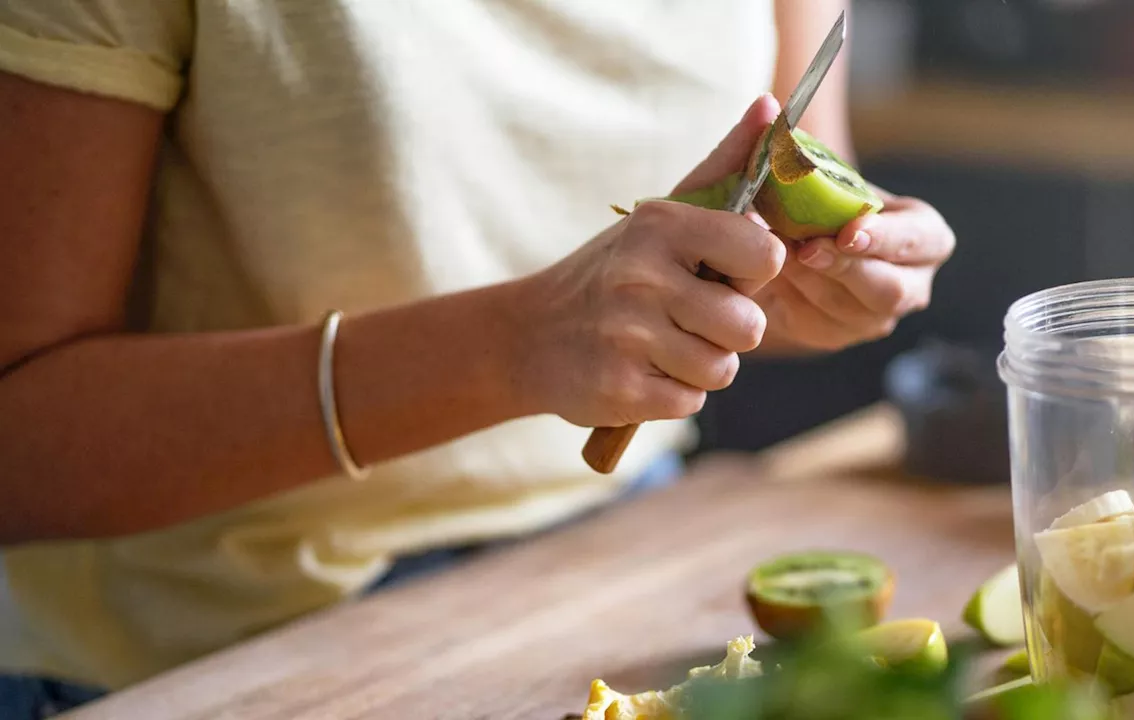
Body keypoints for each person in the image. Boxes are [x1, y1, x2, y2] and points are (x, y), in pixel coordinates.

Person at [0, 0, 955, 716]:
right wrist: (514, 343)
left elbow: (770, 243)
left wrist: (824, 284)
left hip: (608, 570)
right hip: (214, 654)